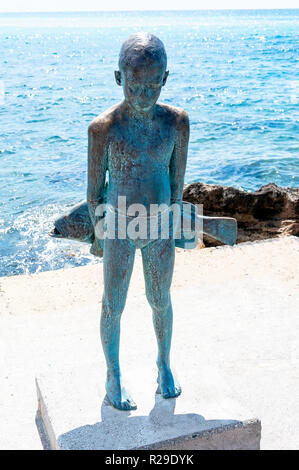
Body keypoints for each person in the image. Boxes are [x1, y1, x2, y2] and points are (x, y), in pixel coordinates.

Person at [87, 32, 189, 410]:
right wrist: (98, 235)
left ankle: (164, 363)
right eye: (135, 87)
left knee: (159, 298)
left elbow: (177, 183)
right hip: (118, 227)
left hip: (160, 226)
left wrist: (179, 225)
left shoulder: (177, 123)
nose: (144, 95)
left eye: (152, 86)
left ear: (165, 79)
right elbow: (94, 192)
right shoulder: (104, 128)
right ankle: (113, 375)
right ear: (119, 79)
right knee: (113, 303)